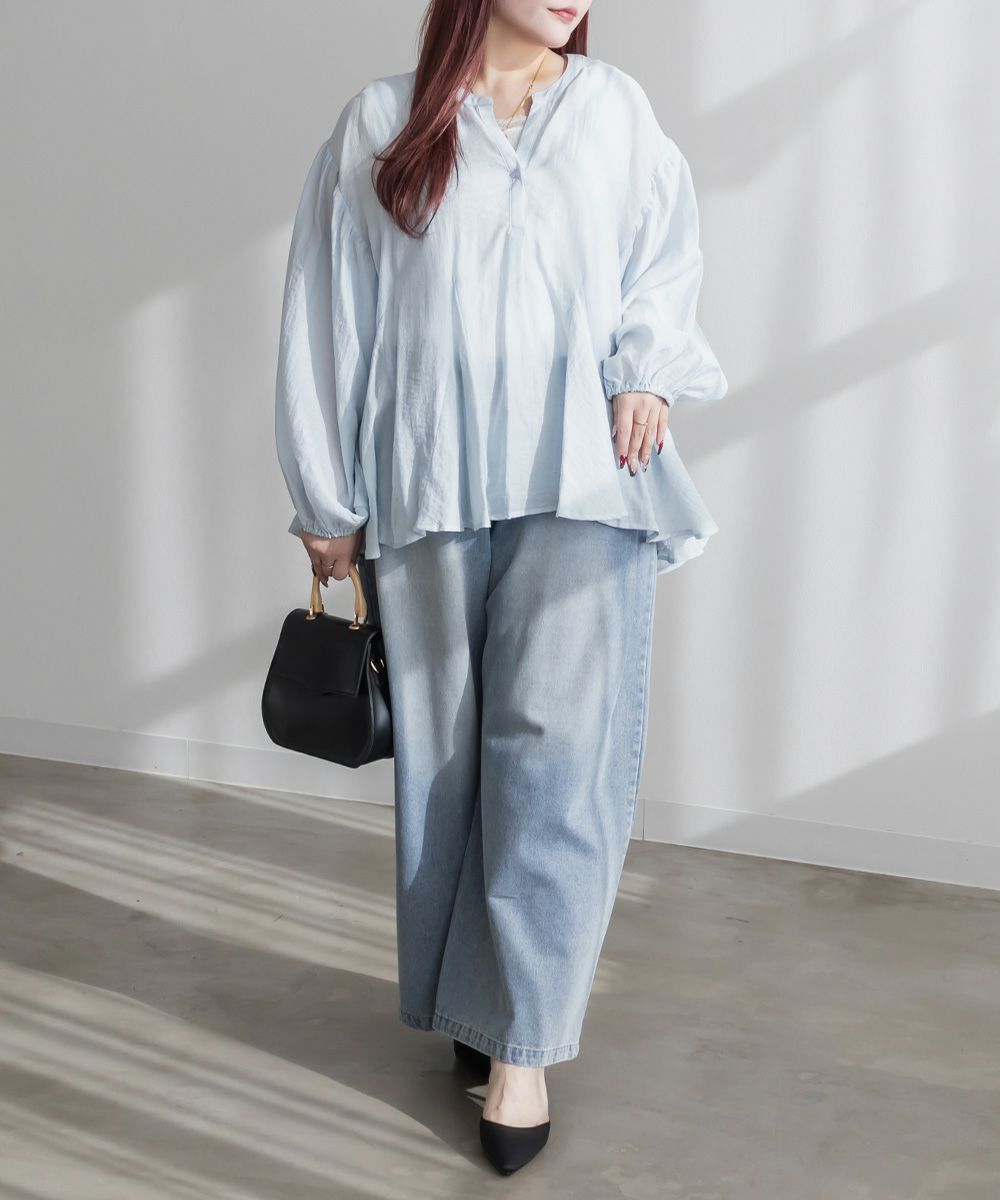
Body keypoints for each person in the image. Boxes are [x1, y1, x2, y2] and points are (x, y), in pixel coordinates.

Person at [273, 0, 728, 1176]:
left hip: (586, 476)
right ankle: (472, 1008)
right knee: (446, 769)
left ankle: (521, 1048)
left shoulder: (614, 112)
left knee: (556, 764)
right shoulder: (383, 122)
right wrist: (325, 497)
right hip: (427, 484)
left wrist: (648, 374)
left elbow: (662, 256)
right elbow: (329, 310)